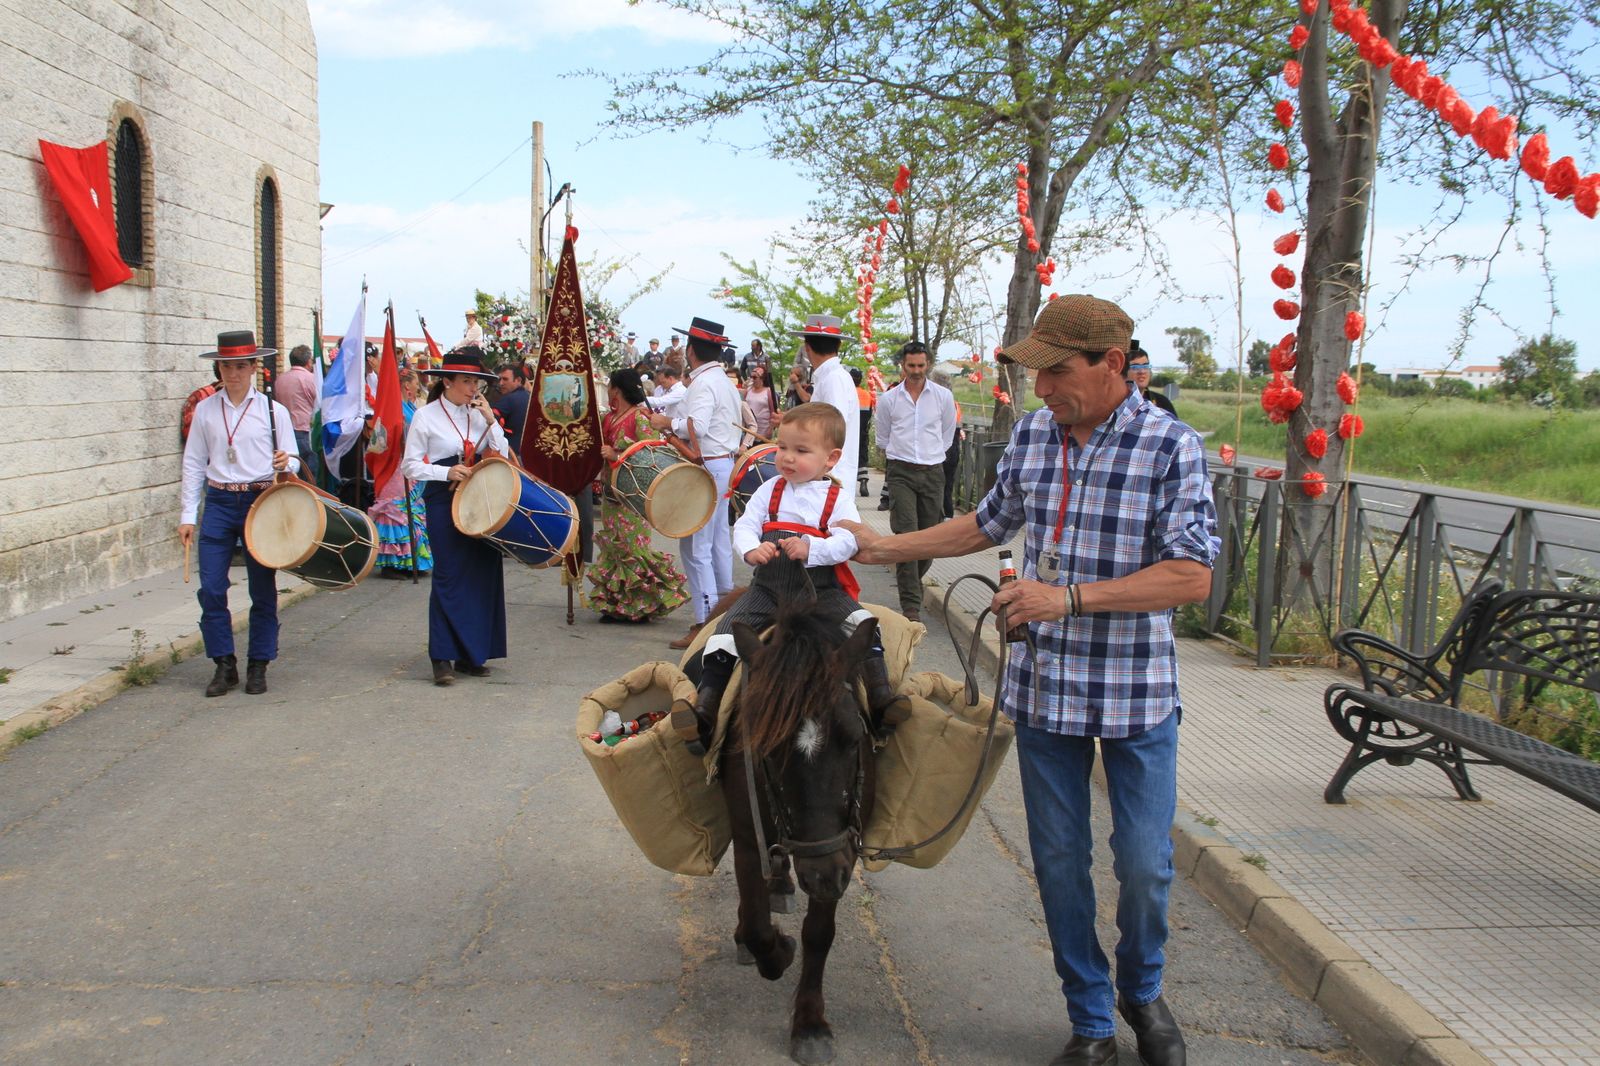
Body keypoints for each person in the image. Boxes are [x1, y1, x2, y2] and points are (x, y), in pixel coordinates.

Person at [840, 295, 1217, 1066]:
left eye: (1056, 372)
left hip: (1135, 692)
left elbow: (1192, 576)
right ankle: (1090, 1019)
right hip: (1045, 690)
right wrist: (887, 548)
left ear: (1113, 364)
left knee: (1145, 864)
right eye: (1035, 374)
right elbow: (984, 524)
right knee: (1057, 862)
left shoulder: (1170, 447)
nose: (1041, 391)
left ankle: (1141, 992)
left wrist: (1068, 598)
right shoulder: (1036, 438)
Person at [677, 402, 908, 755]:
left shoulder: (838, 498)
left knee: (864, 624)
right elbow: (746, 525)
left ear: (830, 459)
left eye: (801, 450)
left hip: (821, 592)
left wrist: (812, 548)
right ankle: (705, 712)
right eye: (782, 447)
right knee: (725, 633)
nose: (786, 457)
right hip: (768, 590)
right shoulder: (770, 489)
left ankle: (881, 701)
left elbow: (849, 541)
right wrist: (752, 550)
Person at [177, 330, 300, 697]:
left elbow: (293, 457)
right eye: (227, 366)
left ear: (253, 368)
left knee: (262, 589)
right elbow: (194, 462)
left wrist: (285, 459)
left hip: (258, 502)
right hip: (217, 501)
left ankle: (258, 663)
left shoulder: (272, 410)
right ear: (220, 368)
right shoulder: (206, 410)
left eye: (240, 366)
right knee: (212, 588)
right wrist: (187, 513)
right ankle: (223, 663)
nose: (233, 373)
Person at [402, 345, 510, 686]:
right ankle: (442, 657)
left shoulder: (477, 412)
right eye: (466, 382)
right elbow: (410, 466)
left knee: (482, 571)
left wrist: (491, 420)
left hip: (478, 496)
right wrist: (444, 473)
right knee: (448, 575)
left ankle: (472, 653)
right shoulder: (426, 416)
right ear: (446, 382)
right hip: (443, 495)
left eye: (475, 382)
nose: (472, 389)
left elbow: (502, 451)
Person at [647, 316, 742, 650]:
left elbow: (696, 427)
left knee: (694, 544)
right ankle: (724, 615)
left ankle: (705, 621)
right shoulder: (723, 380)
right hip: (723, 463)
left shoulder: (704, 383)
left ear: (690, 350)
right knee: (716, 540)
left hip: (708, 466)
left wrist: (665, 422)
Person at [591, 368, 690, 623]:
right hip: (611, 492)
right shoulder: (610, 418)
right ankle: (617, 605)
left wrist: (618, 456)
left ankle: (641, 604)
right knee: (614, 546)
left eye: (611, 385)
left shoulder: (641, 418)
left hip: (632, 494)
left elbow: (651, 456)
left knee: (632, 547)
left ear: (616, 389)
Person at [874, 341, 957, 622]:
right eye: (911, 366)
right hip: (901, 472)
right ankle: (911, 607)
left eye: (921, 366)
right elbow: (882, 438)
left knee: (930, 541)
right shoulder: (889, 400)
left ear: (929, 365)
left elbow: (947, 435)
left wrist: (932, 458)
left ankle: (911, 583)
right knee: (908, 538)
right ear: (903, 366)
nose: (917, 371)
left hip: (933, 472)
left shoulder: (943, 397)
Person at [782, 313, 861, 493]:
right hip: (823, 476)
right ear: (838, 345)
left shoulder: (834, 379)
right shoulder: (831, 377)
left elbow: (830, 428)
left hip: (829, 478)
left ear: (807, 348)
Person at [370, 368, 432, 578]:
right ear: (407, 385)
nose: (417, 386)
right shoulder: (395, 409)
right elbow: (384, 438)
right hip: (396, 468)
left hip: (411, 467)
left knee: (411, 511)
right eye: (415, 382)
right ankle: (392, 564)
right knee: (397, 512)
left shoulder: (410, 407)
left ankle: (411, 560)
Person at [277, 344, 319, 478]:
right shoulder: (311, 379)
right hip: (305, 432)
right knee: (309, 475)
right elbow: (320, 403)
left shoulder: (280, 379)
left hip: (286, 431)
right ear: (308, 362)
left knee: (292, 475)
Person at [1125, 339, 1176, 417]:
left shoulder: (1162, 402)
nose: (1142, 371)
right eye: (1135, 367)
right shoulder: (1112, 403)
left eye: (1145, 366)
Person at [492, 362, 531, 454]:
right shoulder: (530, 397)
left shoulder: (509, 399)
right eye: (500, 379)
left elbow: (490, 423)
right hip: (527, 453)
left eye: (505, 379)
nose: (500, 383)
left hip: (511, 454)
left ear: (518, 380)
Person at [744, 364, 779, 440]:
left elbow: (773, 412)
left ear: (762, 378)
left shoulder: (768, 392)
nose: (752, 379)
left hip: (763, 431)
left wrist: (770, 429)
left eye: (755, 377)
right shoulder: (748, 390)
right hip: (749, 431)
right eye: (751, 377)